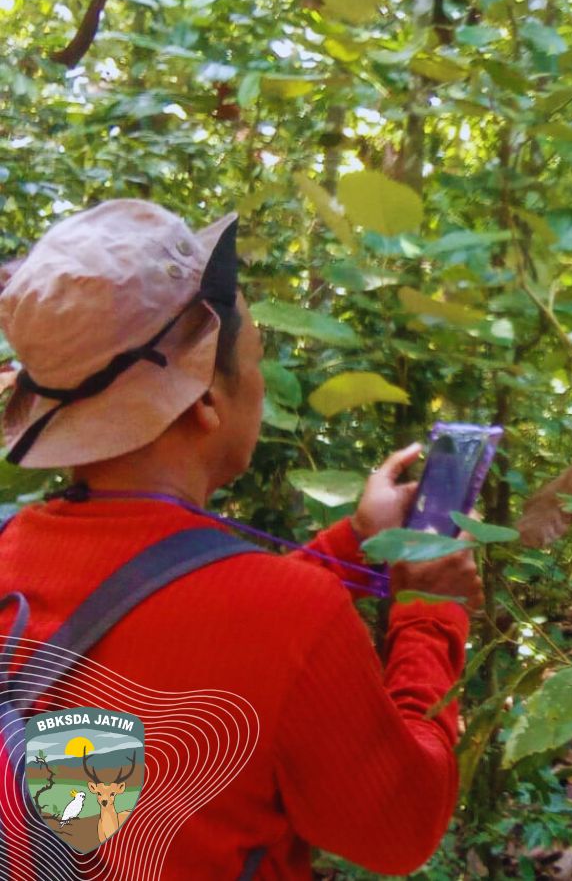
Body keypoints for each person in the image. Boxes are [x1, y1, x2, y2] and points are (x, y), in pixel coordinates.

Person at [0, 200, 483, 876]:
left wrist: (356, 541)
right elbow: (400, 828)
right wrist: (429, 614)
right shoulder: (288, 615)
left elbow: (189, 617)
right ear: (204, 398)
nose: (259, 378)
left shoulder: (12, 544)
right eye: (255, 356)